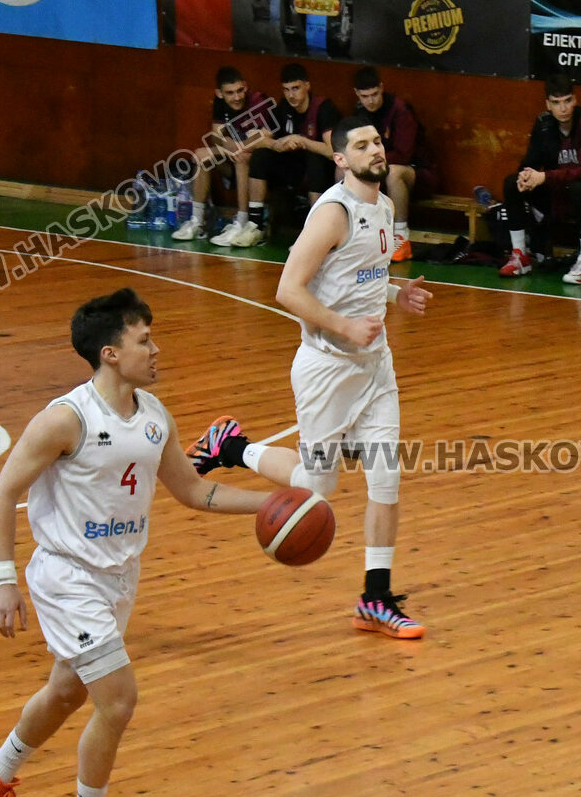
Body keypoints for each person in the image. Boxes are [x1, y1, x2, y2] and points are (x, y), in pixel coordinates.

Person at [0, 289, 272, 797]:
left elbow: (193, 491)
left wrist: (275, 505)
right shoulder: (65, 420)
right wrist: (4, 581)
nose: (156, 350)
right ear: (110, 353)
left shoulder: (154, 416)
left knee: (66, 693)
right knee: (119, 700)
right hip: (66, 577)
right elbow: (2, 493)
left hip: (119, 577)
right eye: (144, 340)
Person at [187, 115, 434, 638]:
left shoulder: (384, 205)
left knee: (386, 477)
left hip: (375, 367)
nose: (375, 150)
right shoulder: (332, 214)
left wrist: (395, 295)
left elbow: (359, 277)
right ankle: (232, 447)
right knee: (316, 486)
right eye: (361, 145)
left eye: (378, 141)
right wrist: (345, 326)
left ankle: (375, 598)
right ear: (340, 159)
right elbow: (288, 290)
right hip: (326, 369)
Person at [498, 73, 581, 284]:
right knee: (512, 184)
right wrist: (525, 175)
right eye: (556, 103)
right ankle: (520, 255)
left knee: (578, 187)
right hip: (554, 190)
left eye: (567, 101)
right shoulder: (543, 123)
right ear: (548, 104)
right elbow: (530, 160)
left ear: (575, 100)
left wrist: (545, 176)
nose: (563, 108)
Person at [172, 66, 276, 248]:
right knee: (202, 157)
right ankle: (197, 222)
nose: (237, 97)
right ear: (219, 93)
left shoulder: (258, 101)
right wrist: (227, 147)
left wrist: (232, 147)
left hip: (264, 166)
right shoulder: (219, 104)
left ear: (245, 86)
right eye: (230, 93)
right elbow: (217, 137)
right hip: (236, 158)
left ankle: (242, 222)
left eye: (240, 90)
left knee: (242, 157)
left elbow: (265, 139)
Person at [352, 67, 440, 263]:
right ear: (357, 94)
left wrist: (369, 160)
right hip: (378, 170)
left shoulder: (400, 110)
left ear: (382, 88)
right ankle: (355, 230)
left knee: (393, 172)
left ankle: (401, 236)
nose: (371, 101)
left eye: (375, 94)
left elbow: (403, 155)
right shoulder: (359, 114)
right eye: (365, 96)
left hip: (417, 173)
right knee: (346, 170)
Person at [246, 62, 342, 234]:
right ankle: (255, 225)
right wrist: (275, 144)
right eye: (286, 89)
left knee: (315, 159)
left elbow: (331, 151)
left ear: (307, 85)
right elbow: (258, 140)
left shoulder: (323, 107)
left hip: (321, 169)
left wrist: (302, 141)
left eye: (295, 88)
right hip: (293, 168)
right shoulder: (284, 107)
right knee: (260, 155)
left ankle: (315, 230)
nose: (291, 95)